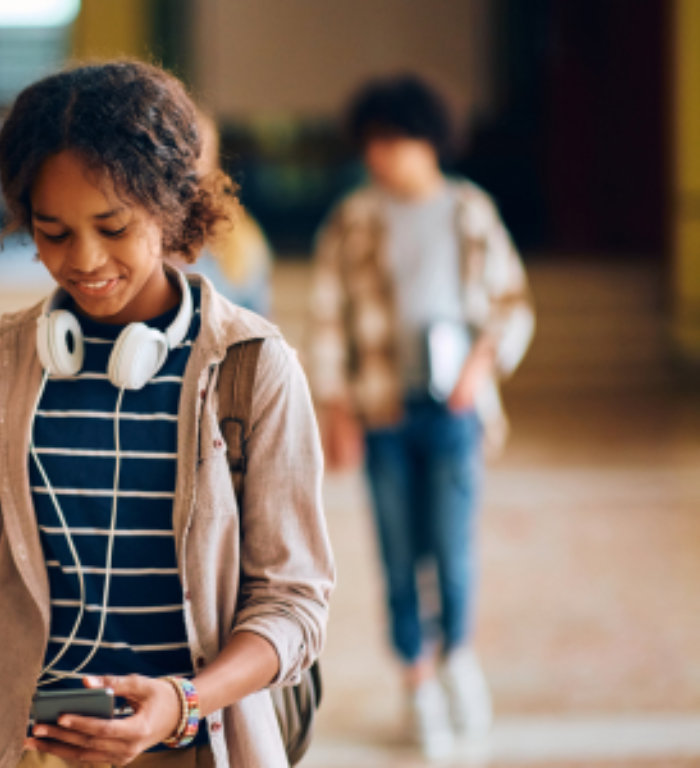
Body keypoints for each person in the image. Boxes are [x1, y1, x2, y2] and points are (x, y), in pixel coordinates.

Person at [0, 60, 334, 768]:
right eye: (52, 233)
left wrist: (181, 703)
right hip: (32, 748)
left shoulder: (252, 368)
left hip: (195, 739)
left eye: (113, 227)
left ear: (172, 207)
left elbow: (294, 605)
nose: (84, 261)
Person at [306, 75, 534, 758]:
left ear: (427, 138)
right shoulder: (352, 219)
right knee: (398, 555)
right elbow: (326, 321)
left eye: (389, 139)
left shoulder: (471, 212)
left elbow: (511, 305)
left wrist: (478, 368)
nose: (377, 154)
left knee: (454, 551)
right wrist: (336, 409)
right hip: (381, 412)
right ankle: (416, 686)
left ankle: (457, 661)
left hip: (456, 412)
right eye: (369, 142)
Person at [179, 110, 274, 318]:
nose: (193, 168)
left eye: (202, 155)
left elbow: (261, 322)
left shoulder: (242, 239)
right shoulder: (137, 236)